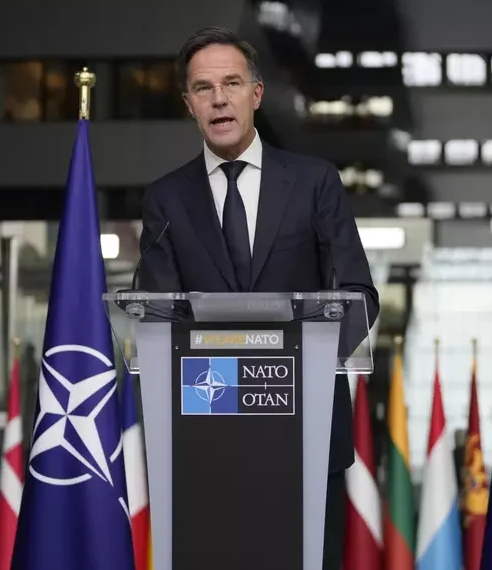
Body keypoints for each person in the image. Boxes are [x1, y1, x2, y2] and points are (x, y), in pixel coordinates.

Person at [138, 26, 380, 570]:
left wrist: (286, 372)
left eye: (231, 83)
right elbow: (157, 318)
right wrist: (232, 382)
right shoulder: (166, 199)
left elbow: (357, 297)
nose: (219, 98)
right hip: (207, 443)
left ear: (256, 93)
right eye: (203, 88)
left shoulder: (316, 183)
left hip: (305, 436)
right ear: (188, 104)